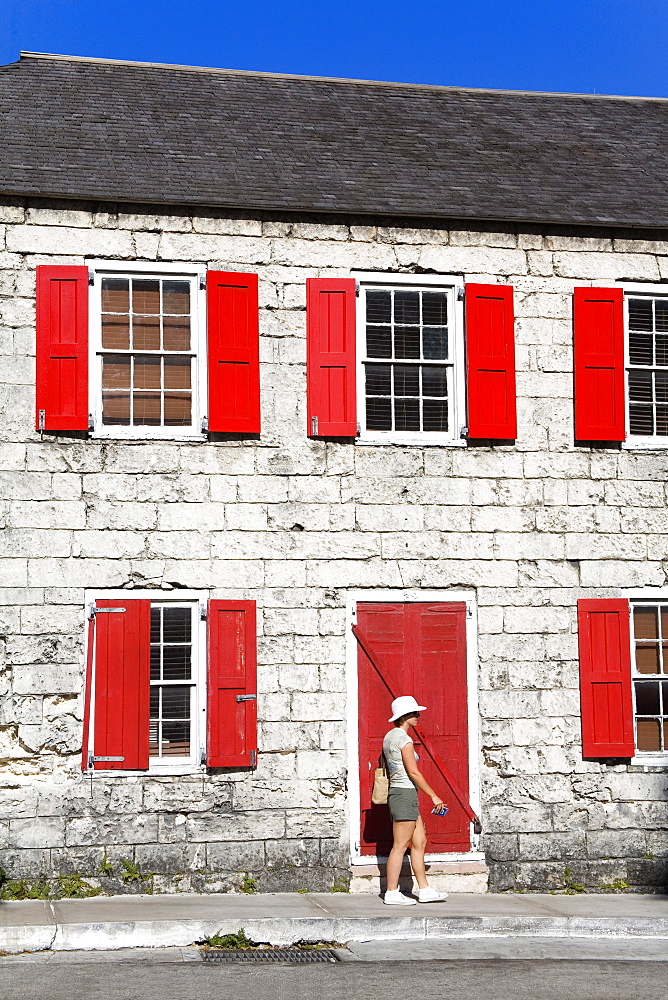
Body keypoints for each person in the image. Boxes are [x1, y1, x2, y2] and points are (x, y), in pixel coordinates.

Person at [382, 695, 448, 905]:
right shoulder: (404, 739)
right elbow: (414, 772)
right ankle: (392, 892)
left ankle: (425, 889)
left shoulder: (389, 737)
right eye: (415, 713)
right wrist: (433, 795)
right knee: (400, 846)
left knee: (419, 841)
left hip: (402, 794)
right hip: (404, 793)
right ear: (406, 716)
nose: (418, 716)